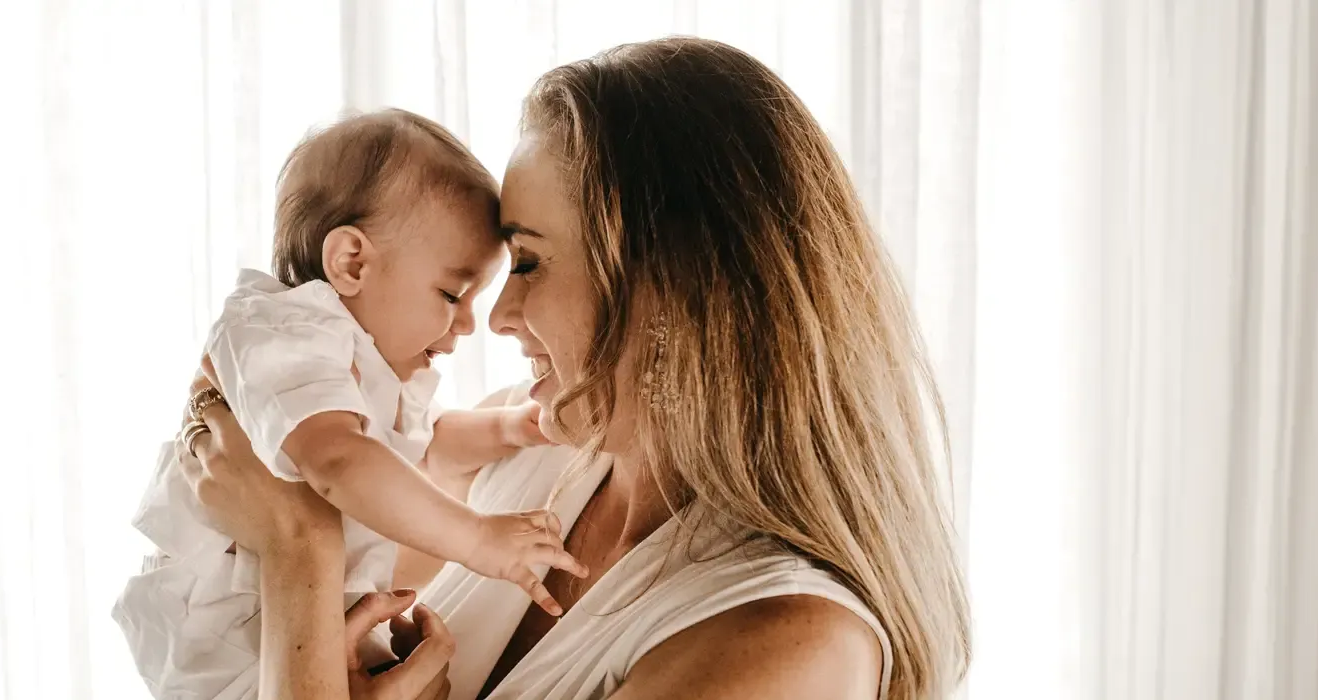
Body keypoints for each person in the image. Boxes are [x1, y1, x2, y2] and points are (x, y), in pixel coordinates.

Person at [180, 37, 971, 700]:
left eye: (526, 262)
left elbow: (305, 575)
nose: (495, 318)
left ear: (672, 288)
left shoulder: (787, 646)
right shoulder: (523, 460)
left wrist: (297, 546)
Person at [114, 109, 583, 700]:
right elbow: (338, 462)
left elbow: (428, 441)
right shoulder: (283, 330)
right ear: (352, 263)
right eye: (452, 293)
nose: (470, 324)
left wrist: (515, 427)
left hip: (298, 630)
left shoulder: (359, 363)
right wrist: (478, 539)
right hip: (232, 649)